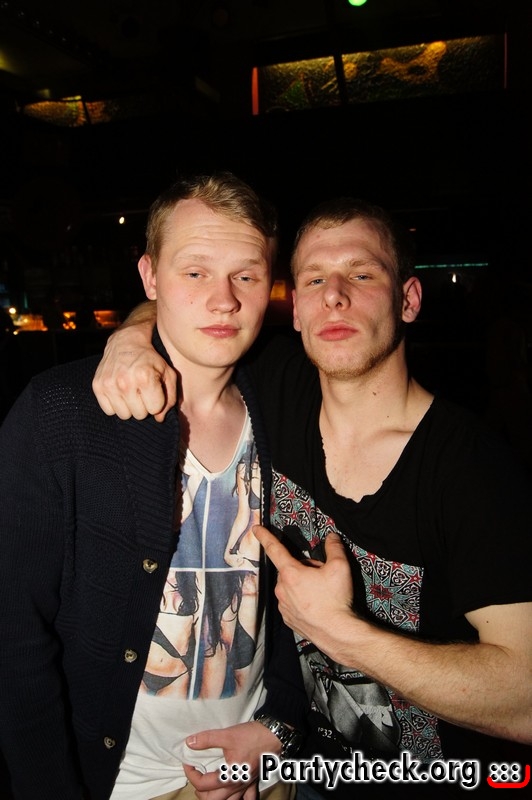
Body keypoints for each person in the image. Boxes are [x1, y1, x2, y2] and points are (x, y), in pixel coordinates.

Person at [92, 197, 532, 797]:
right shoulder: (273, 389)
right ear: (295, 308)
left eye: (362, 274)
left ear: (408, 299)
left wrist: (339, 631)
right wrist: (128, 339)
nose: (335, 297)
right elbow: (184, 300)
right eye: (315, 280)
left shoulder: (473, 470)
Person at [0, 173, 307, 800]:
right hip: (122, 785)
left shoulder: (289, 403)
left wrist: (281, 728)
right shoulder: (57, 414)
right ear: (149, 276)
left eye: (246, 275)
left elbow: (298, 610)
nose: (223, 300)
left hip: (261, 776)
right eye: (195, 272)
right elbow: (16, 639)